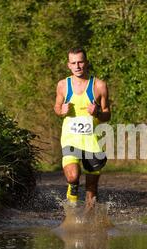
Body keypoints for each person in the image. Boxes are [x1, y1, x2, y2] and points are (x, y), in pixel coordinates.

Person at [54, 47, 110, 212]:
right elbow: (57, 106)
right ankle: (70, 212)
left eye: (80, 62)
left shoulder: (99, 86)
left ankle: (88, 222)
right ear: (68, 65)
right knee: (73, 177)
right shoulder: (63, 85)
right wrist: (61, 111)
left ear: (86, 63)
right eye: (73, 63)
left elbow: (107, 115)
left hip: (92, 141)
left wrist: (98, 112)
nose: (77, 66)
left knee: (91, 188)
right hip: (70, 139)